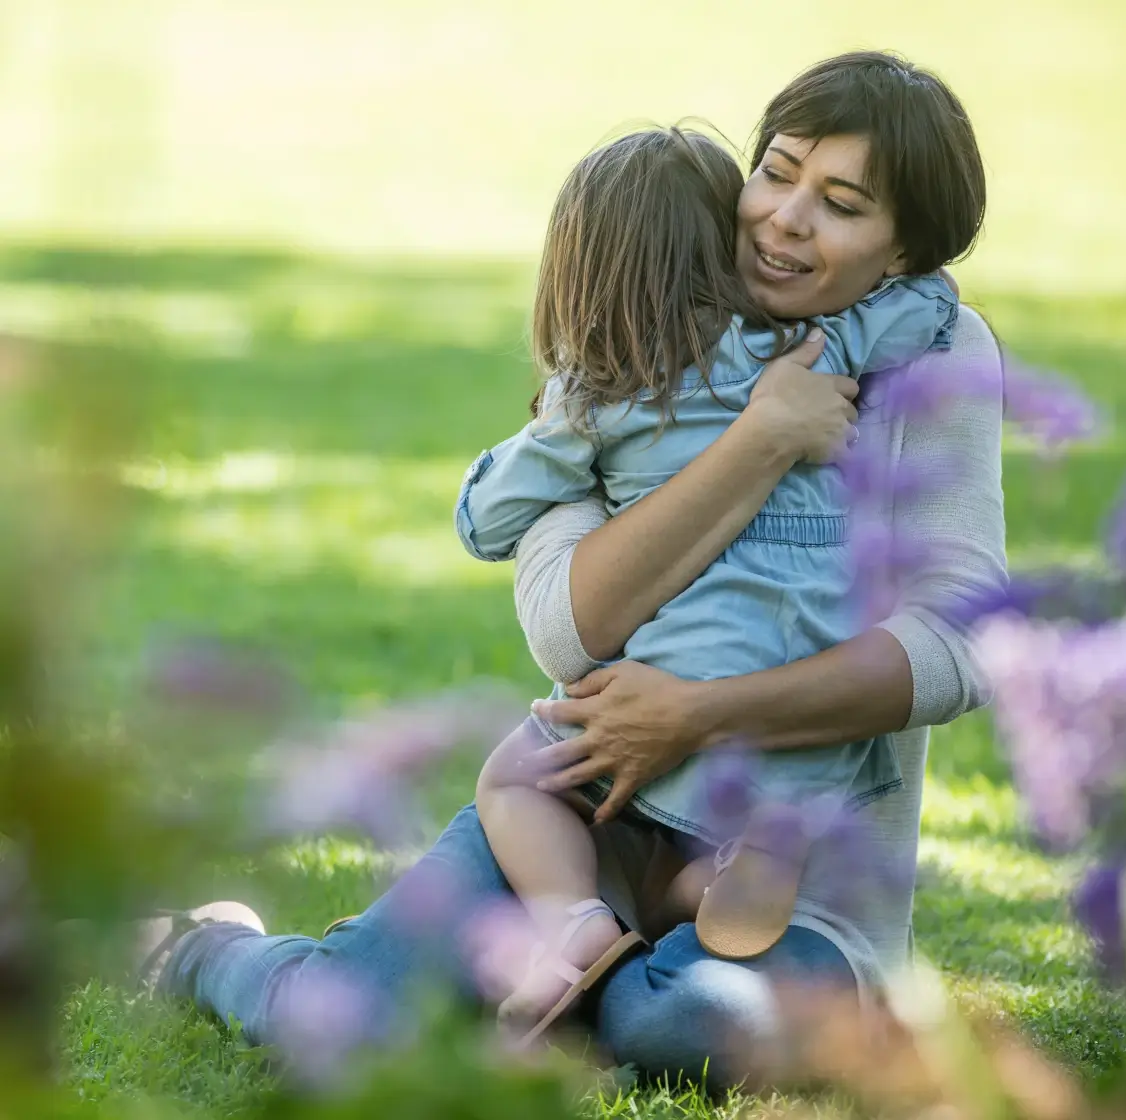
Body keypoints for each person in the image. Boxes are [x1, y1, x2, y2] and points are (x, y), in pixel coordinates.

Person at [145, 51, 1007, 1090]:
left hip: (796, 870)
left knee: (680, 1023)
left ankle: (532, 987)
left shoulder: (933, 356)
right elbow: (567, 632)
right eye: (775, 172)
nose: (783, 218)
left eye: (840, 205)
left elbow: (957, 647)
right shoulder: (631, 333)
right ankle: (206, 947)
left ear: (903, 250)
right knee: (349, 1014)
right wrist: (763, 437)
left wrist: (700, 712)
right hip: (582, 812)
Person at [458, 121, 957, 1038]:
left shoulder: (598, 398)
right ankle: (730, 869)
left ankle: (574, 922)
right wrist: (916, 281)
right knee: (691, 880)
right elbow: (925, 315)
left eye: (842, 206)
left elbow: (488, 522)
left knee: (513, 779)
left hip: (666, 696)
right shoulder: (806, 354)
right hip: (802, 698)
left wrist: (544, 433)